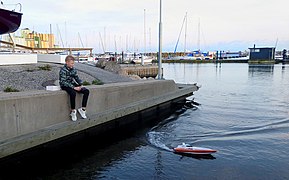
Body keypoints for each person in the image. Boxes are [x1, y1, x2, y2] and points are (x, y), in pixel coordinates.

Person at [59, 55, 90, 121]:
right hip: (65, 85)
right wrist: (74, 88)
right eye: (71, 63)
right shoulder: (63, 70)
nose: (73, 64)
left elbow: (76, 78)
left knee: (86, 91)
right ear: (67, 62)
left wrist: (80, 85)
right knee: (73, 93)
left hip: (72, 84)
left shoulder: (73, 69)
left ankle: (83, 109)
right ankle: (73, 112)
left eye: (73, 63)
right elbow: (63, 82)